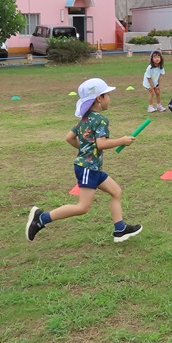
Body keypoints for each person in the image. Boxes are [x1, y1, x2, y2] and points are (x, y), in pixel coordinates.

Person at [26, 78, 142, 244]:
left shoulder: (85, 119)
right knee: (82, 207)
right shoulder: (101, 119)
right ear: (99, 98)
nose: (109, 98)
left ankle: (120, 229)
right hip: (89, 168)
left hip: (90, 167)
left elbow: (69, 138)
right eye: (107, 94)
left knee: (116, 191)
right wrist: (121, 141)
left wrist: (85, 151)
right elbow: (101, 144)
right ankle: (41, 219)